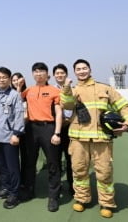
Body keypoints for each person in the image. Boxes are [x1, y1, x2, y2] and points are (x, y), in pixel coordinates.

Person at [60, 59, 128, 218]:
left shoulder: (105, 88)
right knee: (79, 171)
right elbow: (66, 105)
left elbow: (124, 106)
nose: (81, 71)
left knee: (104, 172)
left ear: (90, 69)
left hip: (102, 139)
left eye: (84, 68)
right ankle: (81, 199)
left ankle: (107, 203)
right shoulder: (72, 90)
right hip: (78, 139)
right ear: (74, 72)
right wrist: (66, 87)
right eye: (78, 69)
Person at [20, 62, 63, 212]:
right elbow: (17, 101)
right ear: (32, 74)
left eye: (41, 71)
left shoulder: (54, 91)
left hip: (48, 128)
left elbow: (58, 113)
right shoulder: (28, 90)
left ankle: (53, 197)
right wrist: (19, 87)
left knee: (53, 163)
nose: (38, 74)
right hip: (31, 129)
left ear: (47, 74)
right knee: (30, 162)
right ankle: (29, 190)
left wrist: (57, 133)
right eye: (35, 71)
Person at [0, 67, 25, 209]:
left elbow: (19, 115)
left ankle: (14, 193)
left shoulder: (15, 95)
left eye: (4, 77)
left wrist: (16, 134)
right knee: (2, 166)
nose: (1, 79)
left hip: (9, 137)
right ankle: (5, 188)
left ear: (9, 79)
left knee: (12, 167)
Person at [52, 63, 74, 196]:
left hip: (71, 129)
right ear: (54, 76)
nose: (60, 75)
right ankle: (57, 186)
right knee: (56, 159)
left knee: (71, 159)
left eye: (62, 73)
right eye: (57, 73)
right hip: (56, 129)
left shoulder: (74, 88)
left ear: (66, 74)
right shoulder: (51, 90)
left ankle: (72, 186)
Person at [11, 72, 28, 187]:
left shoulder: (27, 93)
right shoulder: (11, 94)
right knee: (13, 156)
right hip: (13, 130)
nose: (16, 82)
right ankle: (16, 179)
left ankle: (25, 180)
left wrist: (19, 89)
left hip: (26, 129)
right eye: (14, 80)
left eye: (18, 79)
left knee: (25, 156)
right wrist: (17, 89)